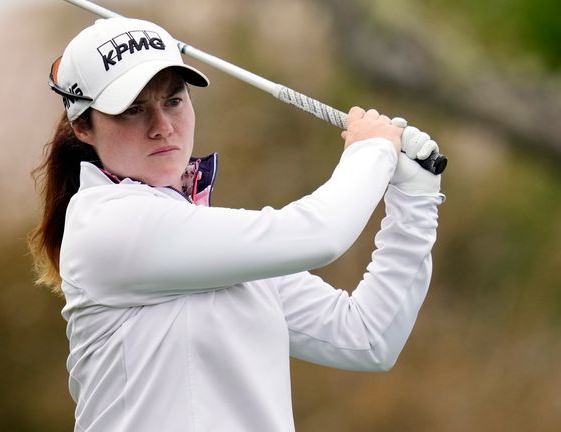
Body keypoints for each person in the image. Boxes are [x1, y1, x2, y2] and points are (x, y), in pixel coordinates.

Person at [29, 17, 444, 432]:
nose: (162, 127)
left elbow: (367, 337)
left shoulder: (212, 242)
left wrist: (415, 201)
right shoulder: (106, 223)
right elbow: (320, 235)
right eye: (134, 110)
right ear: (83, 126)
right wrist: (372, 151)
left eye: (173, 100)